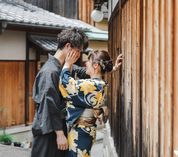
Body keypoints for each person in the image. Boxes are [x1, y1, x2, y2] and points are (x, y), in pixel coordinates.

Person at [31, 27, 123, 157]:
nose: (80, 55)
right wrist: (59, 134)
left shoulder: (66, 66)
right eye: (78, 50)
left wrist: (110, 68)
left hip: (59, 127)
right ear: (68, 46)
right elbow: (49, 104)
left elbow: (89, 72)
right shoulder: (49, 71)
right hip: (48, 130)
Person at [59, 50, 114, 157]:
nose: (86, 63)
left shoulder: (92, 84)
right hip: (85, 130)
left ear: (96, 66)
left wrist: (67, 64)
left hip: (81, 132)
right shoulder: (98, 84)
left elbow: (66, 85)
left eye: (88, 61)